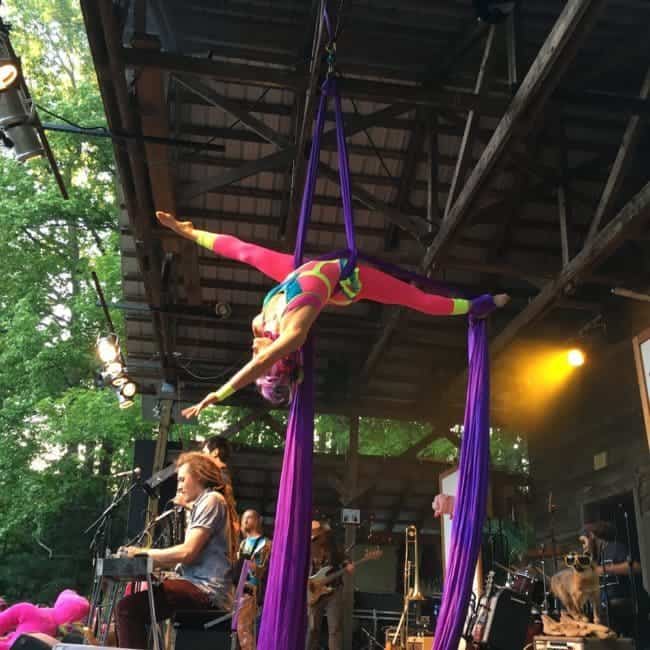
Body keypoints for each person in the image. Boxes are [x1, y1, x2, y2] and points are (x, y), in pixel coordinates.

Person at [155, 211, 509, 414]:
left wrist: (188, 233)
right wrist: (218, 395)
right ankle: (475, 306)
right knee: (412, 297)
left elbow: (242, 250)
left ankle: (190, 232)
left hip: (298, 273)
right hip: (344, 279)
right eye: (266, 368)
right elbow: (261, 364)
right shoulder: (294, 330)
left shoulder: (260, 325)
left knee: (248, 254)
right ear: (277, 363)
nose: (252, 354)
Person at [115, 452, 238, 649]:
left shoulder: (212, 500)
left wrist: (141, 553)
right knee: (136, 606)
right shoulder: (206, 503)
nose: (178, 486)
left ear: (198, 476)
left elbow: (187, 553)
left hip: (206, 590)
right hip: (201, 587)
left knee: (127, 609)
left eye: (182, 479)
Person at [580, 521, 645, 638]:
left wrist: (606, 569)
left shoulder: (616, 548)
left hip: (622, 604)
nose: (583, 546)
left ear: (592, 536)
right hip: (605, 608)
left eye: (584, 541)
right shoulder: (595, 557)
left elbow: (636, 567)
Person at [307, 521, 354, 650]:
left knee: (335, 629)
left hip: (334, 589)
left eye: (317, 533)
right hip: (314, 590)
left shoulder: (332, 543)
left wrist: (347, 564)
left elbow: (343, 557)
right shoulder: (305, 545)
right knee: (312, 629)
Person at [235, 510, 272, 650]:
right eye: (243, 517)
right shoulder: (243, 543)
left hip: (255, 588)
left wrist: (257, 568)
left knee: (245, 628)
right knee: (241, 628)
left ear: (257, 520)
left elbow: (269, 568)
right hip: (240, 589)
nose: (244, 520)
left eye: (248, 517)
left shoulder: (267, 543)